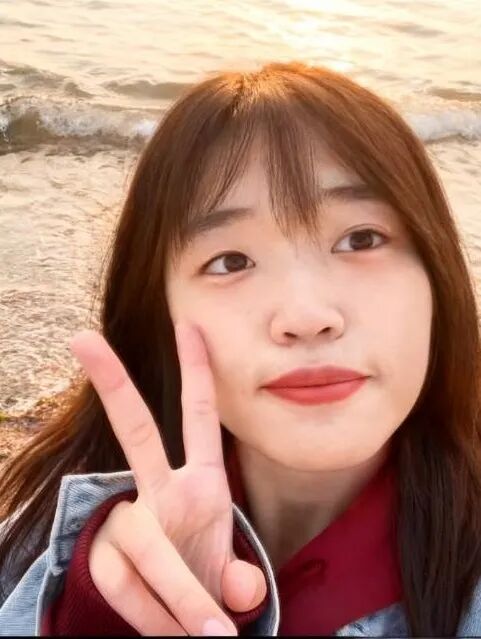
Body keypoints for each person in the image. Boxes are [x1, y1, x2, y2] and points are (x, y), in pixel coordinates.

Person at [1, 60, 481, 637]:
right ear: (159, 314)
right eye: (231, 261)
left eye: (361, 239)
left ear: (438, 277)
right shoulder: (44, 542)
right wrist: (95, 618)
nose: (306, 317)